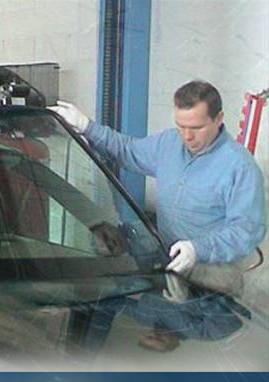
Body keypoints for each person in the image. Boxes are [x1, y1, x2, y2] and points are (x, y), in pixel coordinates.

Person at [53, 80, 266, 278]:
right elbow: (127, 151)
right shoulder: (169, 144)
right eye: (181, 126)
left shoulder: (240, 167)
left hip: (213, 272)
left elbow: (246, 230)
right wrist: (87, 127)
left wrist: (197, 250)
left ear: (218, 119)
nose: (187, 136)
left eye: (196, 128)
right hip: (167, 258)